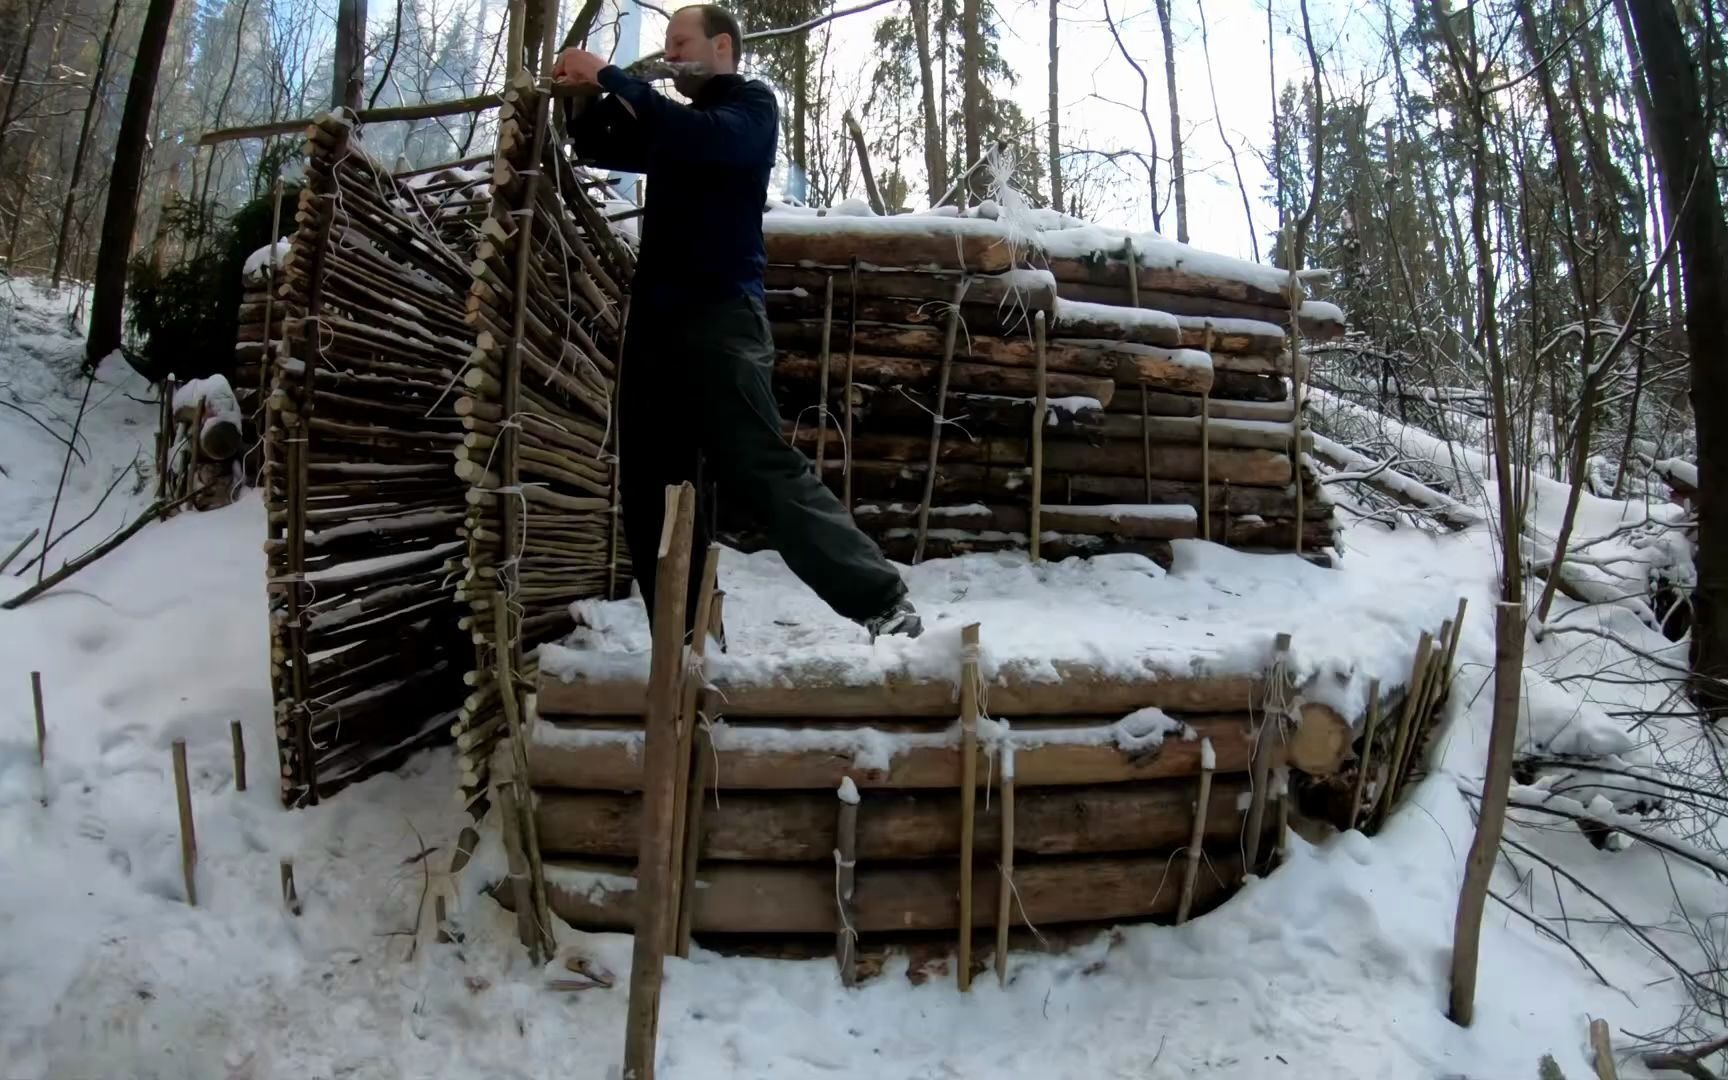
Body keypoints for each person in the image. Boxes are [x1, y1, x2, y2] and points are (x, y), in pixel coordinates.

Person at [552, 5, 924, 640]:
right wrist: (583, 100)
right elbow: (603, 144)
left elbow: (707, 143)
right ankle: (687, 634)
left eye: (679, 41)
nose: (668, 55)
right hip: (655, 328)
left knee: (758, 464)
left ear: (721, 46)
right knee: (650, 485)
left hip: (723, 315)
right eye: (665, 44)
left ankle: (882, 602)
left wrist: (612, 74)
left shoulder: (750, 107)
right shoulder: (677, 124)